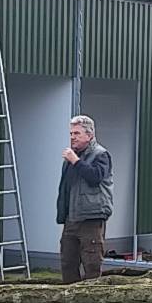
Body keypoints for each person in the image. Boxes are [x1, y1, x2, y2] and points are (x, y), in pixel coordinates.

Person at [56, 115, 113, 283]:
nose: (72, 137)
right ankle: (69, 299)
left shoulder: (101, 155)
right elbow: (66, 189)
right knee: (68, 262)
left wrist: (76, 161)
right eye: (71, 133)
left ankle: (92, 301)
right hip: (71, 218)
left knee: (92, 262)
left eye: (77, 133)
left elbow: (95, 177)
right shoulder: (70, 158)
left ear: (89, 135)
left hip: (91, 218)